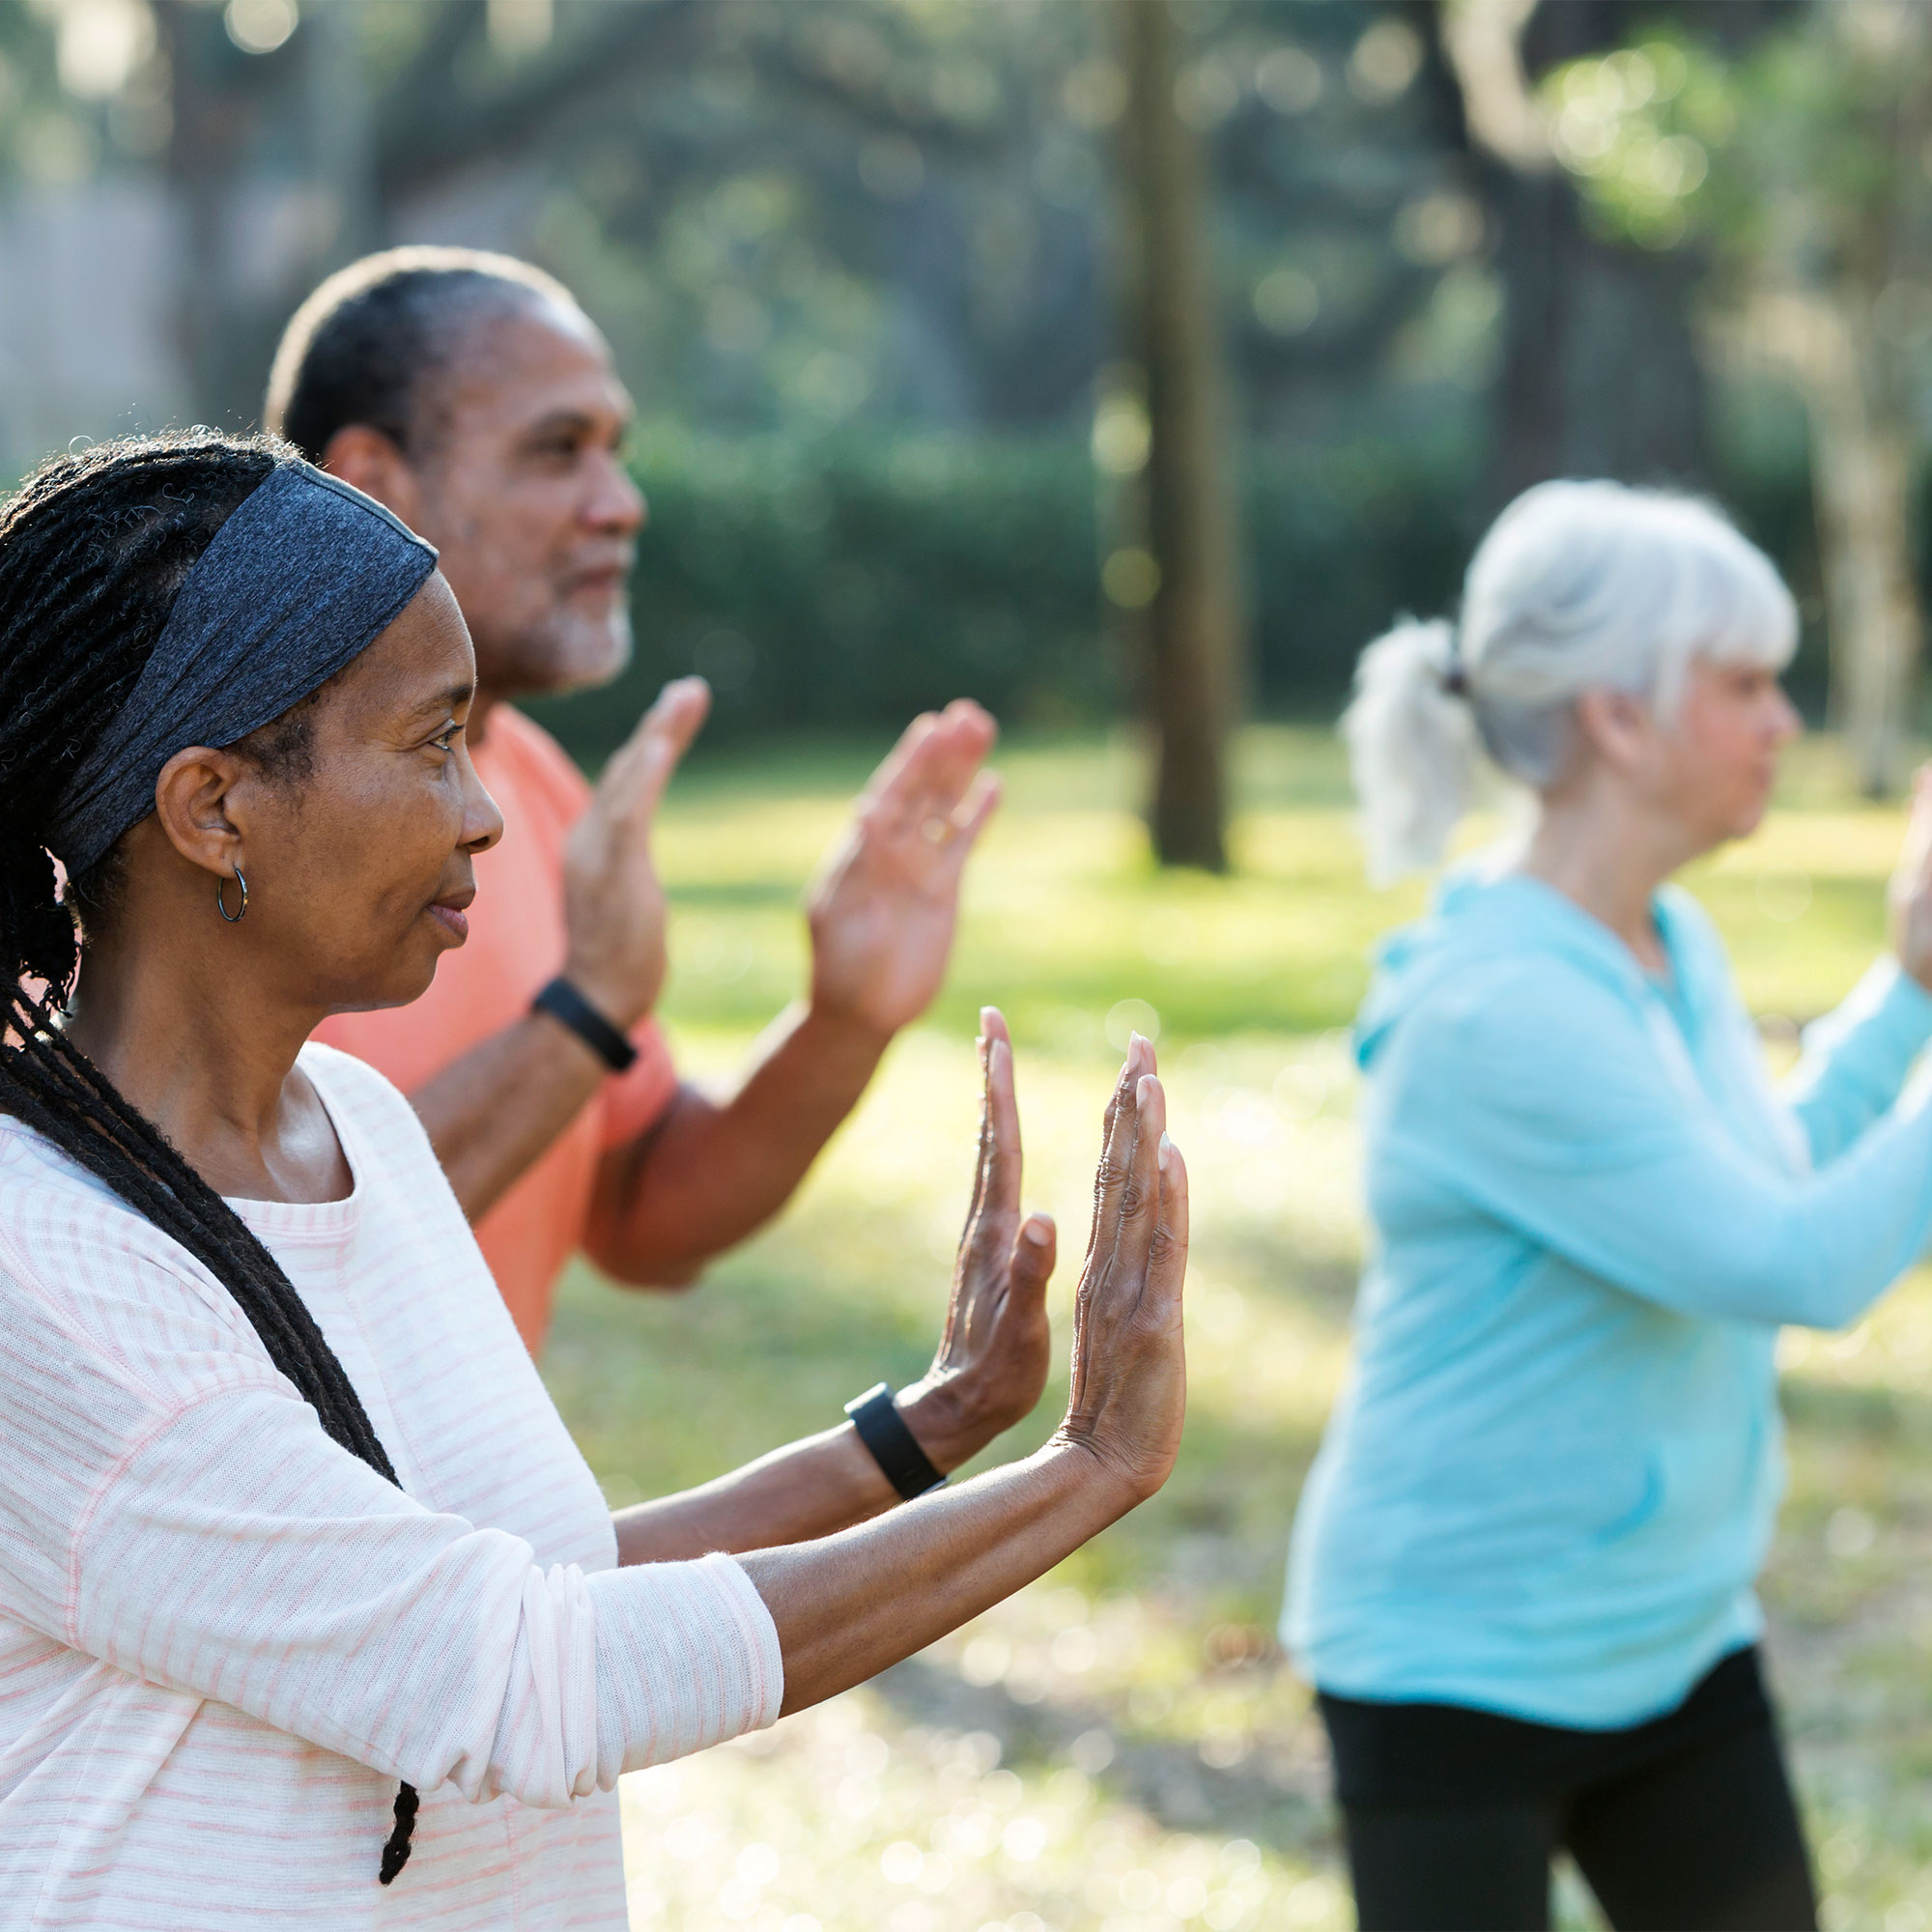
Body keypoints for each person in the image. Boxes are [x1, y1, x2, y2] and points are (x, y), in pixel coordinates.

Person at [0, 429, 1188, 1926]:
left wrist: (926, 1429)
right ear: (214, 806)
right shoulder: (39, 1263)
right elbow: (519, 1681)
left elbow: (534, 1584)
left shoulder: (357, 1128)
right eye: (434, 743)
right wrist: (1091, 1473)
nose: (483, 812)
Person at [1285, 479, 1932, 1932]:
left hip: (1674, 1638)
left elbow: (1761, 1183)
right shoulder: (1498, 1009)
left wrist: (1914, 988)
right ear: (1618, 720)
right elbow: (1799, 1265)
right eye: (1748, 684)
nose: (1785, 720)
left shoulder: (1659, 940)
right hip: (1450, 1661)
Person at [262, 245, 998, 1351]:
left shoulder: (533, 783)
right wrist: (586, 1009)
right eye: (559, 450)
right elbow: (234, 1266)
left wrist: (840, 1021)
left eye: (615, 451)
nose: (620, 504)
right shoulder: (215, 807)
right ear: (373, 483)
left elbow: (645, 1216)